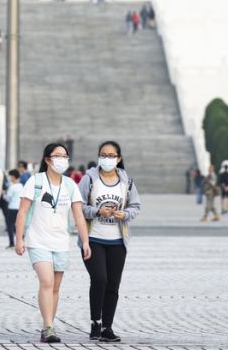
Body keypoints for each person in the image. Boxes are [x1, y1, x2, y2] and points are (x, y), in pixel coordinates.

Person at [15, 143, 91, 343]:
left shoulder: (70, 185)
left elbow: (79, 216)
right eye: (57, 156)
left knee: (56, 287)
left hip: (61, 242)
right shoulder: (35, 181)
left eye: (65, 156)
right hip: (38, 240)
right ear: (48, 159)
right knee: (47, 281)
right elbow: (22, 211)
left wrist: (85, 241)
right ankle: (48, 327)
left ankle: (48, 325)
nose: (62, 160)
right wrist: (19, 239)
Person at [78, 141, 141, 342]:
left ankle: (107, 327)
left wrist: (126, 214)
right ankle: (95, 321)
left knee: (113, 284)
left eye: (112, 155)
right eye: (103, 155)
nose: (107, 158)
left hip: (117, 241)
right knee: (99, 279)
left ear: (119, 158)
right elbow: (77, 206)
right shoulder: (89, 179)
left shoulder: (127, 181)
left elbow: (136, 206)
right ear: (98, 157)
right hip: (93, 238)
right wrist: (97, 211)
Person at [4, 169, 22, 249]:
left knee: (10, 225)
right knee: (17, 225)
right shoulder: (21, 186)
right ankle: (21, 239)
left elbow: (7, 198)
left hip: (11, 208)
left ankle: (11, 242)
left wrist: (3, 194)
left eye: (10, 176)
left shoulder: (12, 187)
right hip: (19, 208)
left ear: (14, 177)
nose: (10, 178)